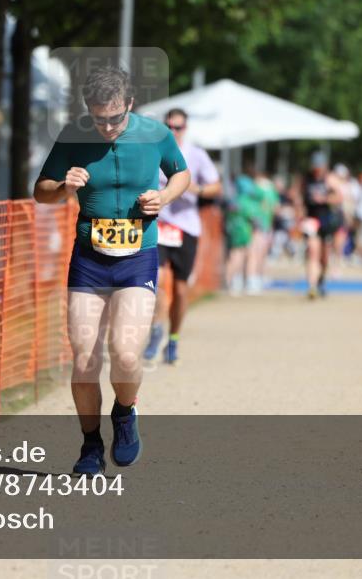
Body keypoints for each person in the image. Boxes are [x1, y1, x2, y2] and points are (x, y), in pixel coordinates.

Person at [33, 66, 190, 475]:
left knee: (124, 353)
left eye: (115, 118)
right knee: (85, 358)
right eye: (99, 118)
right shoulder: (73, 137)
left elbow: (182, 173)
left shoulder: (155, 134)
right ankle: (89, 446)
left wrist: (165, 196)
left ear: (130, 105)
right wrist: (63, 186)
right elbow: (41, 192)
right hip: (89, 258)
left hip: (138, 256)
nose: (107, 126)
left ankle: (124, 411)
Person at [142, 108, 221, 365]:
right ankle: (156, 331)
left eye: (179, 127)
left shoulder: (196, 155)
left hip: (186, 228)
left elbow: (215, 186)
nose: (174, 131)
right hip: (159, 225)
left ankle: (173, 338)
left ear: (185, 128)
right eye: (169, 126)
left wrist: (194, 187)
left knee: (180, 288)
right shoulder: (152, 150)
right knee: (159, 280)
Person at [301, 151, 342, 299]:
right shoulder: (306, 179)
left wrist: (324, 199)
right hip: (311, 220)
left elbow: (340, 197)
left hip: (326, 220)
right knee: (312, 251)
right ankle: (311, 286)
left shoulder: (330, 179)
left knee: (324, 256)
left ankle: (320, 282)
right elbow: (297, 196)